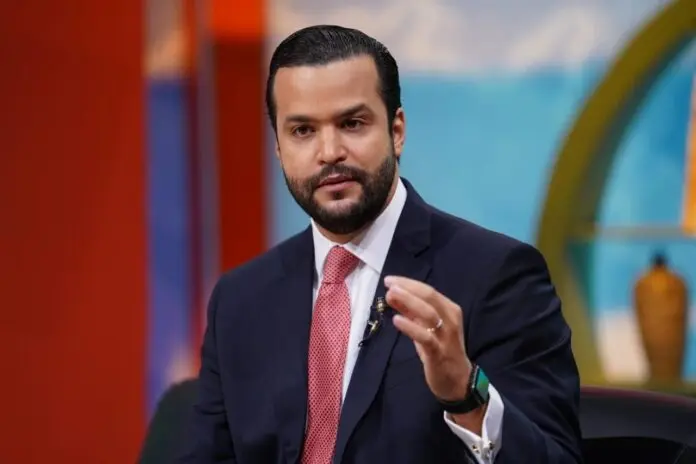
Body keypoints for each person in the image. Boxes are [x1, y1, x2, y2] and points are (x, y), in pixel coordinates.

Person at [181, 25, 583, 464]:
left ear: (397, 131)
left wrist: (467, 393)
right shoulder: (240, 300)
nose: (329, 151)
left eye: (352, 124)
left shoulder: (496, 275)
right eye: (302, 131)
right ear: (278, 147)